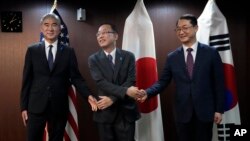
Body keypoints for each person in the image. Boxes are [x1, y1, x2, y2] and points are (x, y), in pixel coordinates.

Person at [140, 14, 225, 141]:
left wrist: (219, 109)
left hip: (205, 110)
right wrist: (147, 92)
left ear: (196, 28)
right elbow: (163, 82)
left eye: (185, 28)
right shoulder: (172, 57)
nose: (181, 32)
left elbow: (219, 83)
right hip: (182, 112)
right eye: (178, 29)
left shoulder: (211, 53)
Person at [20, 13, 97, 141]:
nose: (50, 29)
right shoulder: (32, 50)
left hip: (59, 106)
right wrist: (23, 107)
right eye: (46, 25)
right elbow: (26, 80)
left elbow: (76, 78)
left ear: (60, 28)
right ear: (41, 28)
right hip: (35, 106)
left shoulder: (68, 52)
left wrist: (88, 95)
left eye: (54, 25)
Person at [88, 23, 141, 141]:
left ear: (116, 36)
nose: (100, 36)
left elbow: (131, 80)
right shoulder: (93, 59)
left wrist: (113, 98)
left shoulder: (128, 56)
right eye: (98, 34)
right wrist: (125, 91)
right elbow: (101, 82)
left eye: (105, 32)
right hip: (105, 113)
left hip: (125, 112)